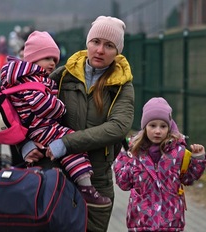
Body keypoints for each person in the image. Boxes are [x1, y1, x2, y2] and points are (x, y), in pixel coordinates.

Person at [22, 16, 134, 231]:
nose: (100, 50)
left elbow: (118, 127)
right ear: (87, 43)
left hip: (96, 182)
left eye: (109, 45)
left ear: (117, 51)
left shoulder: (122, 85)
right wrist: (26, 146)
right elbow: (24, 110)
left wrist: (66, 143)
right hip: (55, 174)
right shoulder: (64, 75)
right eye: (96, 42)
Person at [1, 30, 112, 208]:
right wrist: (60, 107)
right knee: (72, 145)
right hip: (41, 128)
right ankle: (86, 187)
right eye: (47, 58)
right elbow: (41, 105)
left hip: (36, 129)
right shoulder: (31, 80)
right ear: (33, 59)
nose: (52, 63)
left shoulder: (23, 78)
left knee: (67, 148)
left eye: (54, 59)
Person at [114, 97, 206, 231]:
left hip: (171, 222)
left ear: (169, 128)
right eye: (152, 125)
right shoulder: (134, 152)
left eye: (163, 126)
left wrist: (198, 159)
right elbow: (123, 183)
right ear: (145, 127)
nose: (157, 131)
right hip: (141, 221)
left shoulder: (179, 152)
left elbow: (188, 178)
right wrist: (124, 157)